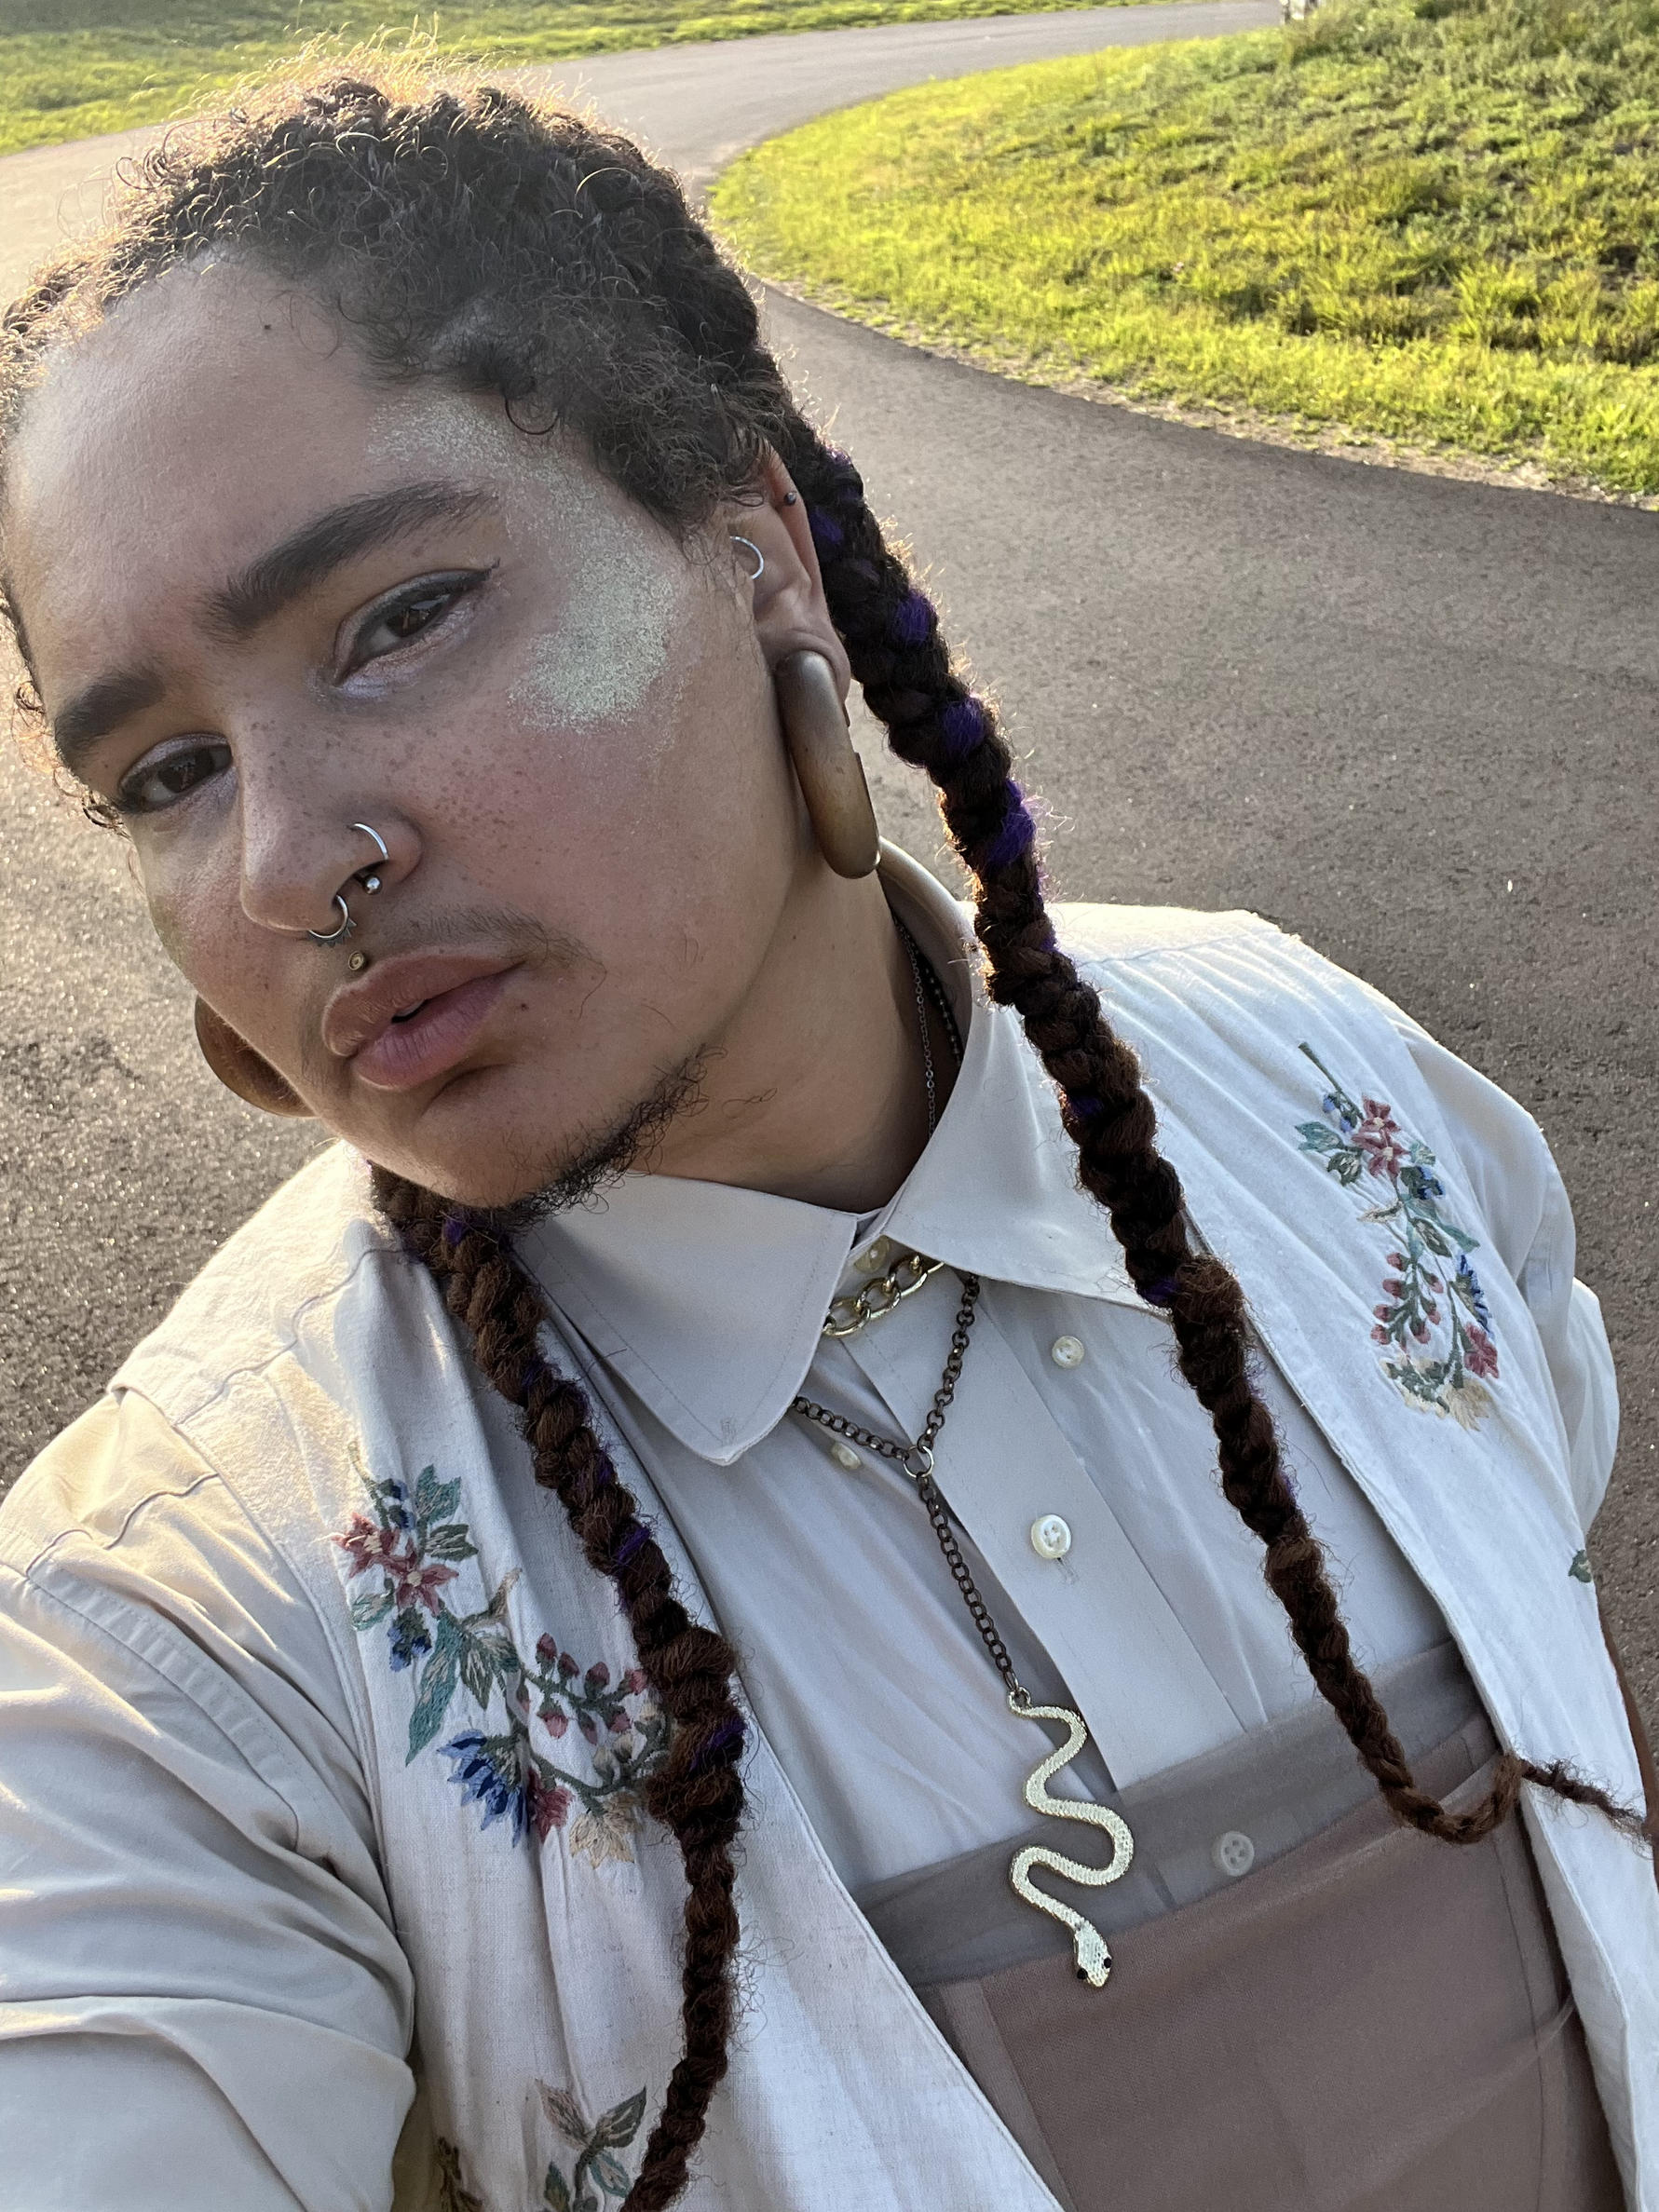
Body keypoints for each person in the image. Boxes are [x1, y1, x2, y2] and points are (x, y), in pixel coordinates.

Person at [0, 63, 1653, 2212]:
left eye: (399, 620)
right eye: (166, 775)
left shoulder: (1319, 1075)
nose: (302, 860)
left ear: (761, 555)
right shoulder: (187, 1629)